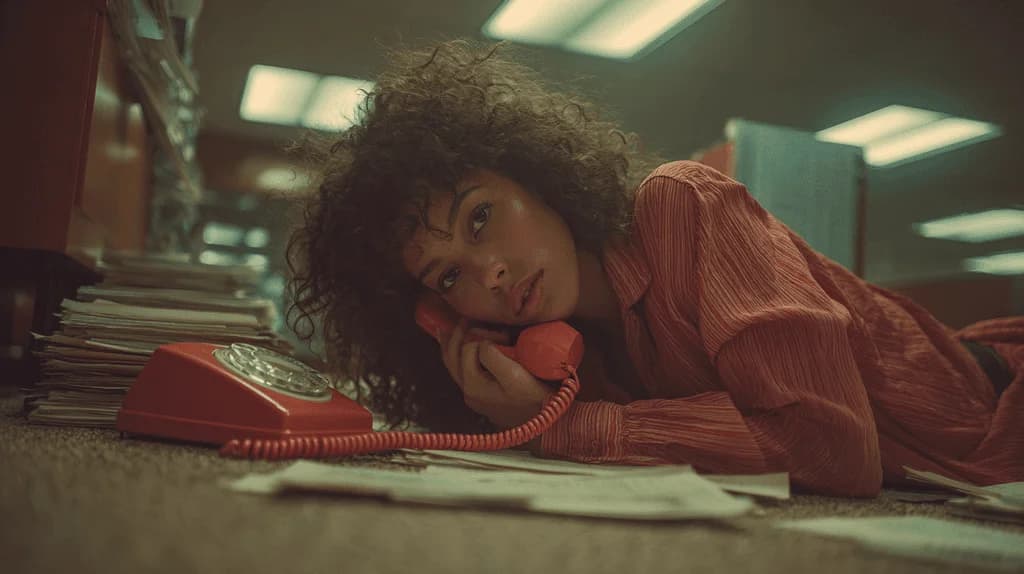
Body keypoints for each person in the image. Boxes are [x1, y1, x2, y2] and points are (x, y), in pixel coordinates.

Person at [288, 39, 1023, 497]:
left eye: (482, 217)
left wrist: (564, 430)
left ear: (537, 177)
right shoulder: (558, 356)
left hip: (992, 403)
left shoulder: (683, 206)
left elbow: (834, 447)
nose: (491, 277)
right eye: (448, 278)